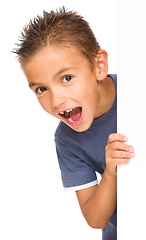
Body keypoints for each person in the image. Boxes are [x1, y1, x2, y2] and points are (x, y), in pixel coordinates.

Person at [13, 7, 135, 240]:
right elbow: (96, 219)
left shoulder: (137, 90)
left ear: (99, 66)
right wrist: (111, 171)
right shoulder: (67, 139)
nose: (56, 100)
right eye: (41, 89)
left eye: (66, 78)